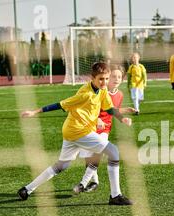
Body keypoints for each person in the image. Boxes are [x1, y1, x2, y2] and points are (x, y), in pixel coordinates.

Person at [18, 62, 133, 206]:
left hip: (71, 131)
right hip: (79, 131)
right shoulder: (85, 94)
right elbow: (61, 104)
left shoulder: (102, 90)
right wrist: (35, 112)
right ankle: (115, 196)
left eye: (106, 79)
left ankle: (27, 189)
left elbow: (109, 109)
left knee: (61, 166)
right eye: (101, 79)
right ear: (92, 78)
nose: (104, 82)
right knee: (113, 151)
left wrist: (122, 119)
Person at [73, 64, 133, 194]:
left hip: (104, 129)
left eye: (119, 77)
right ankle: (94, 182)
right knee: (88, 157)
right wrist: (96, 119)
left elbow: (111, 110)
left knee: (97, 153)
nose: (116, 79)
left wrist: (123, 114)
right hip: (89, 126)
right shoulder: (100, 91)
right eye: (113, 76)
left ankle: (83, 183)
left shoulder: (120, 95)